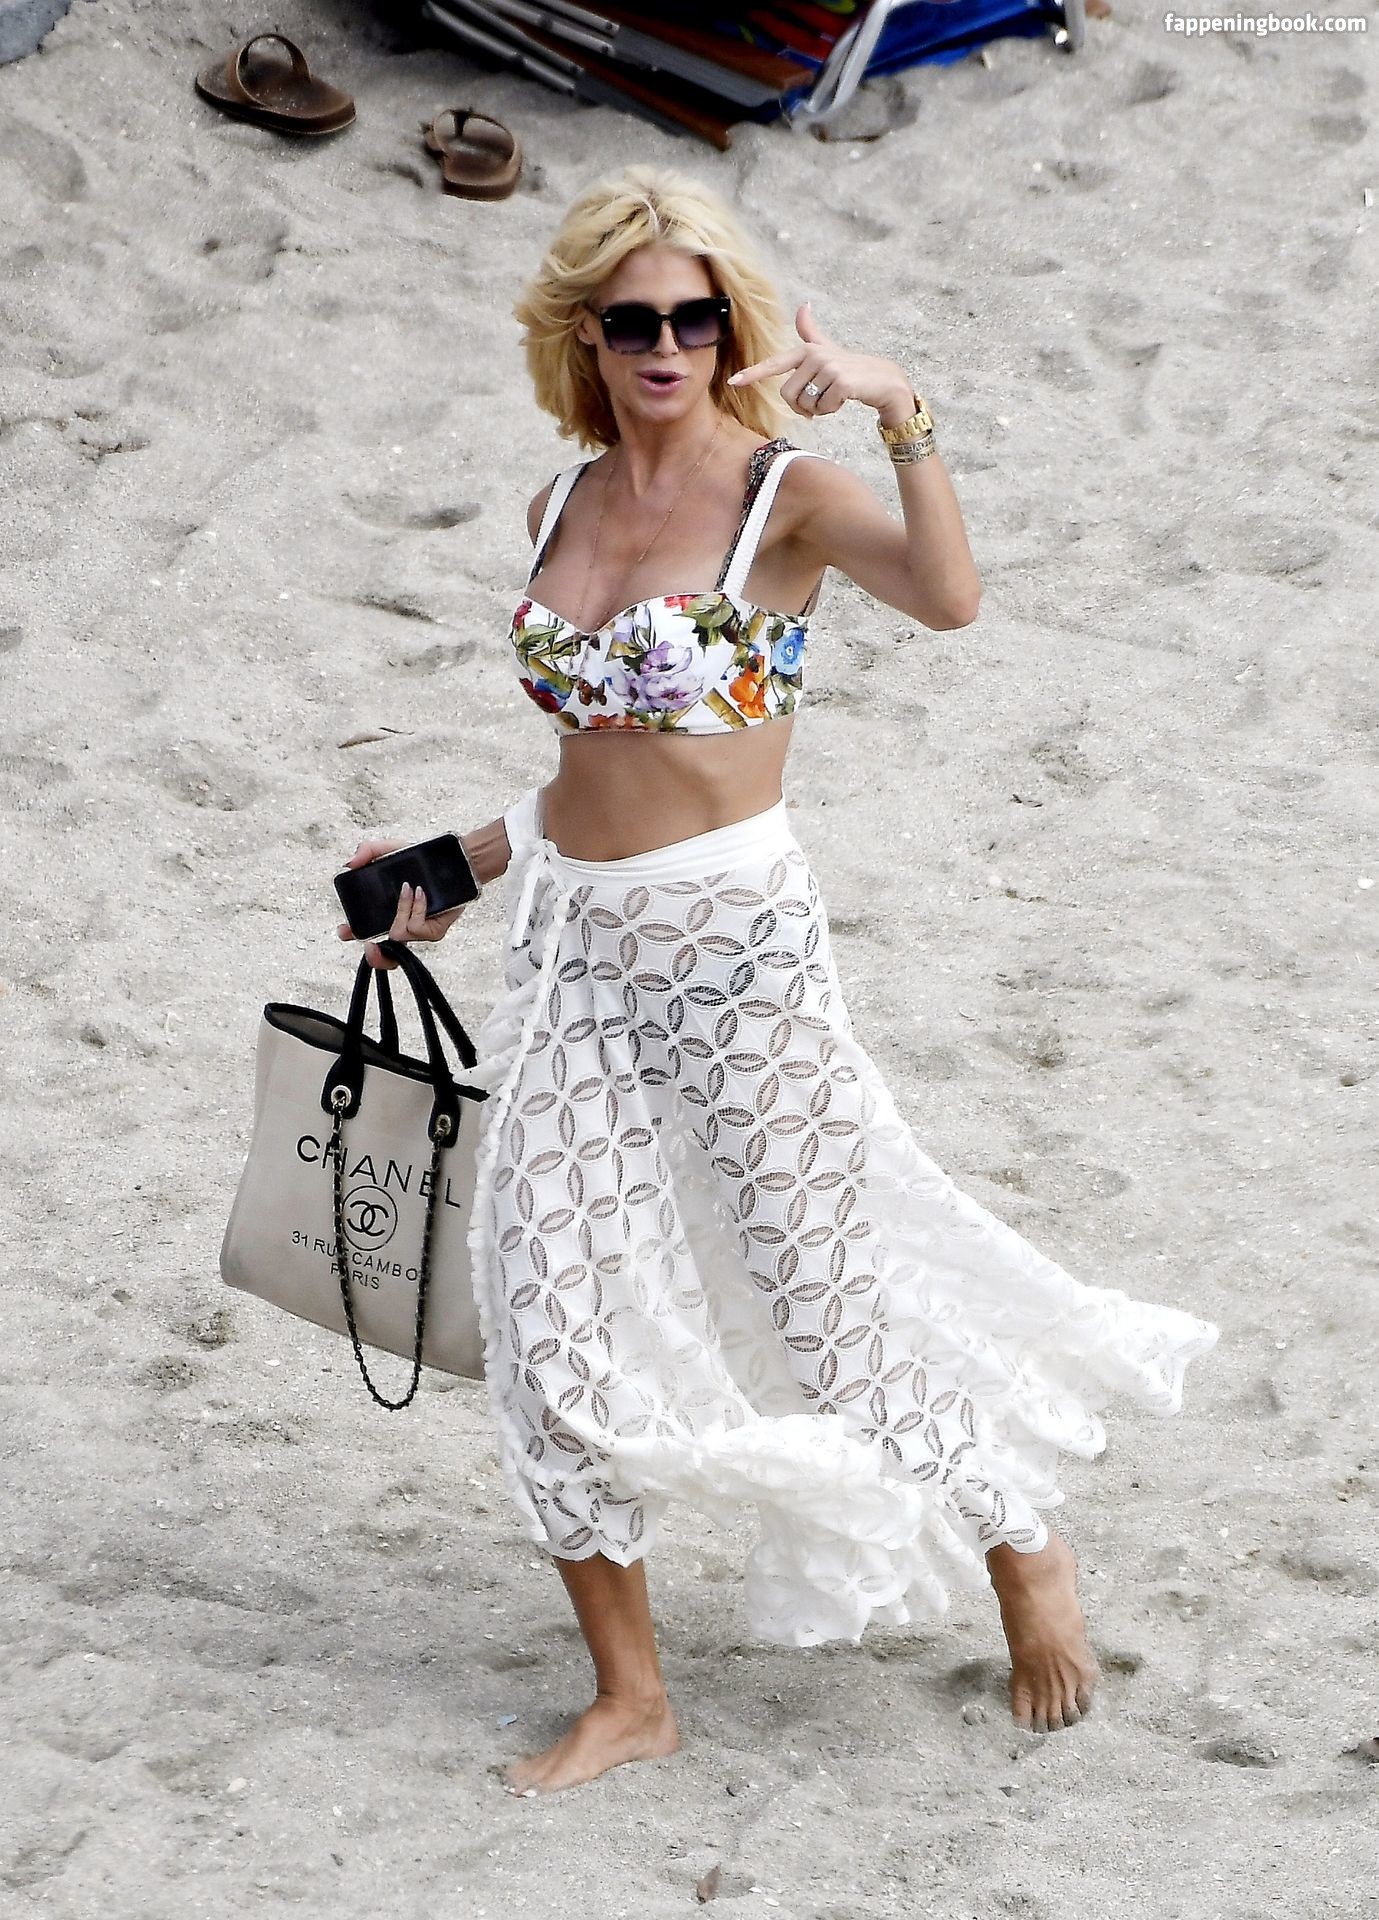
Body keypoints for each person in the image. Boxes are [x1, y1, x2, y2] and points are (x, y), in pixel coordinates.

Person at [337, 163, 1219, 1797]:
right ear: (587, 337)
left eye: (695, 317)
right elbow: (592, 766)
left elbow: (950, 601)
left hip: (739, 955)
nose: (667, 345)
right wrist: (452, 868)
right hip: (580, 952)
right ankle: (632, 1698)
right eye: (633, 322)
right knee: (539, 1316)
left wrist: (901, 410)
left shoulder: (782, 498)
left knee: (826, 1308)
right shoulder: (559, 506)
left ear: (729, 328)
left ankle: (1020, 1541)